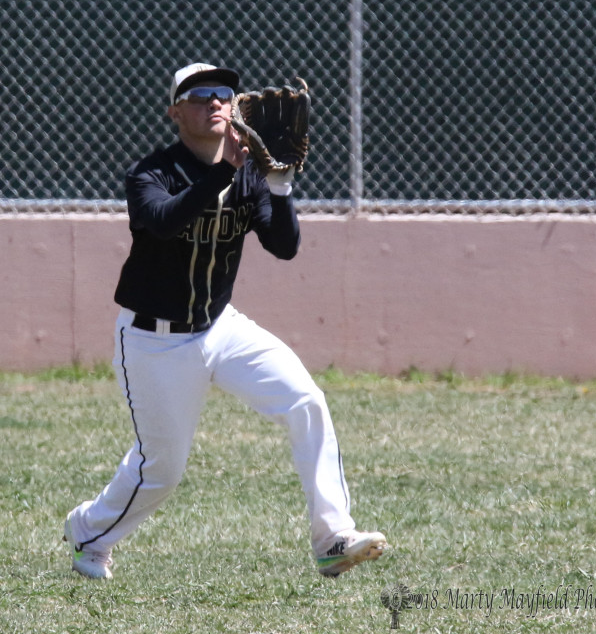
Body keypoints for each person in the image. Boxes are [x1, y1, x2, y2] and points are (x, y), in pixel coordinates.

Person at [64, 62, 387, 581]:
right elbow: (166, 223)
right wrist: (223, 172)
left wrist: (279, 187)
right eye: (198, 96)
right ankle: (88, 532)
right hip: (154, 339)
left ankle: (332, 538)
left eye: (223, 94)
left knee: (306, 400)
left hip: (220, 326)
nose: (214, 102)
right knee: (162, 471)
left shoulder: (252, 173)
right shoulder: (150, 174)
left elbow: (284, 247)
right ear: (175, 112)